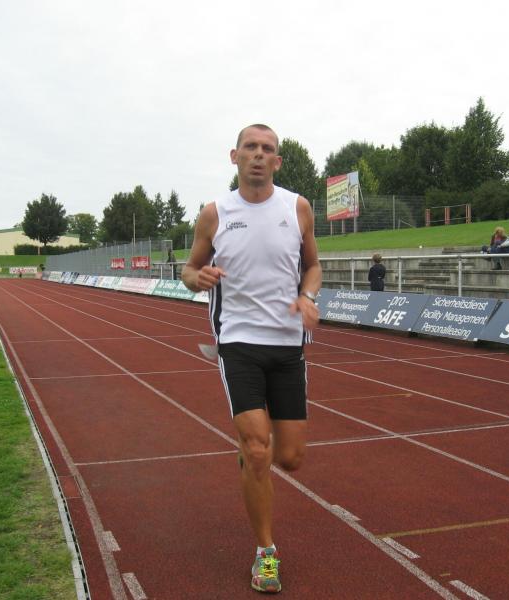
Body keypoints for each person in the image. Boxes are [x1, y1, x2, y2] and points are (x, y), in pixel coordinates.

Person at [181, 124, 321, 594]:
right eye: (250, 148)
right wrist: (197, 279)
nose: (258, 155)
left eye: (267, 149)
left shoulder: (297, 207)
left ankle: (251, 455)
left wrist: (308, 297)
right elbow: (188, 268)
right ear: (234, 156)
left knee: (291, 458)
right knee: (259, 449)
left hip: (288, 345)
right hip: (237, 340)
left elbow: (313, 266)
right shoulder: (214, 213)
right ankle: (266, 552)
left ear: (277, 161)